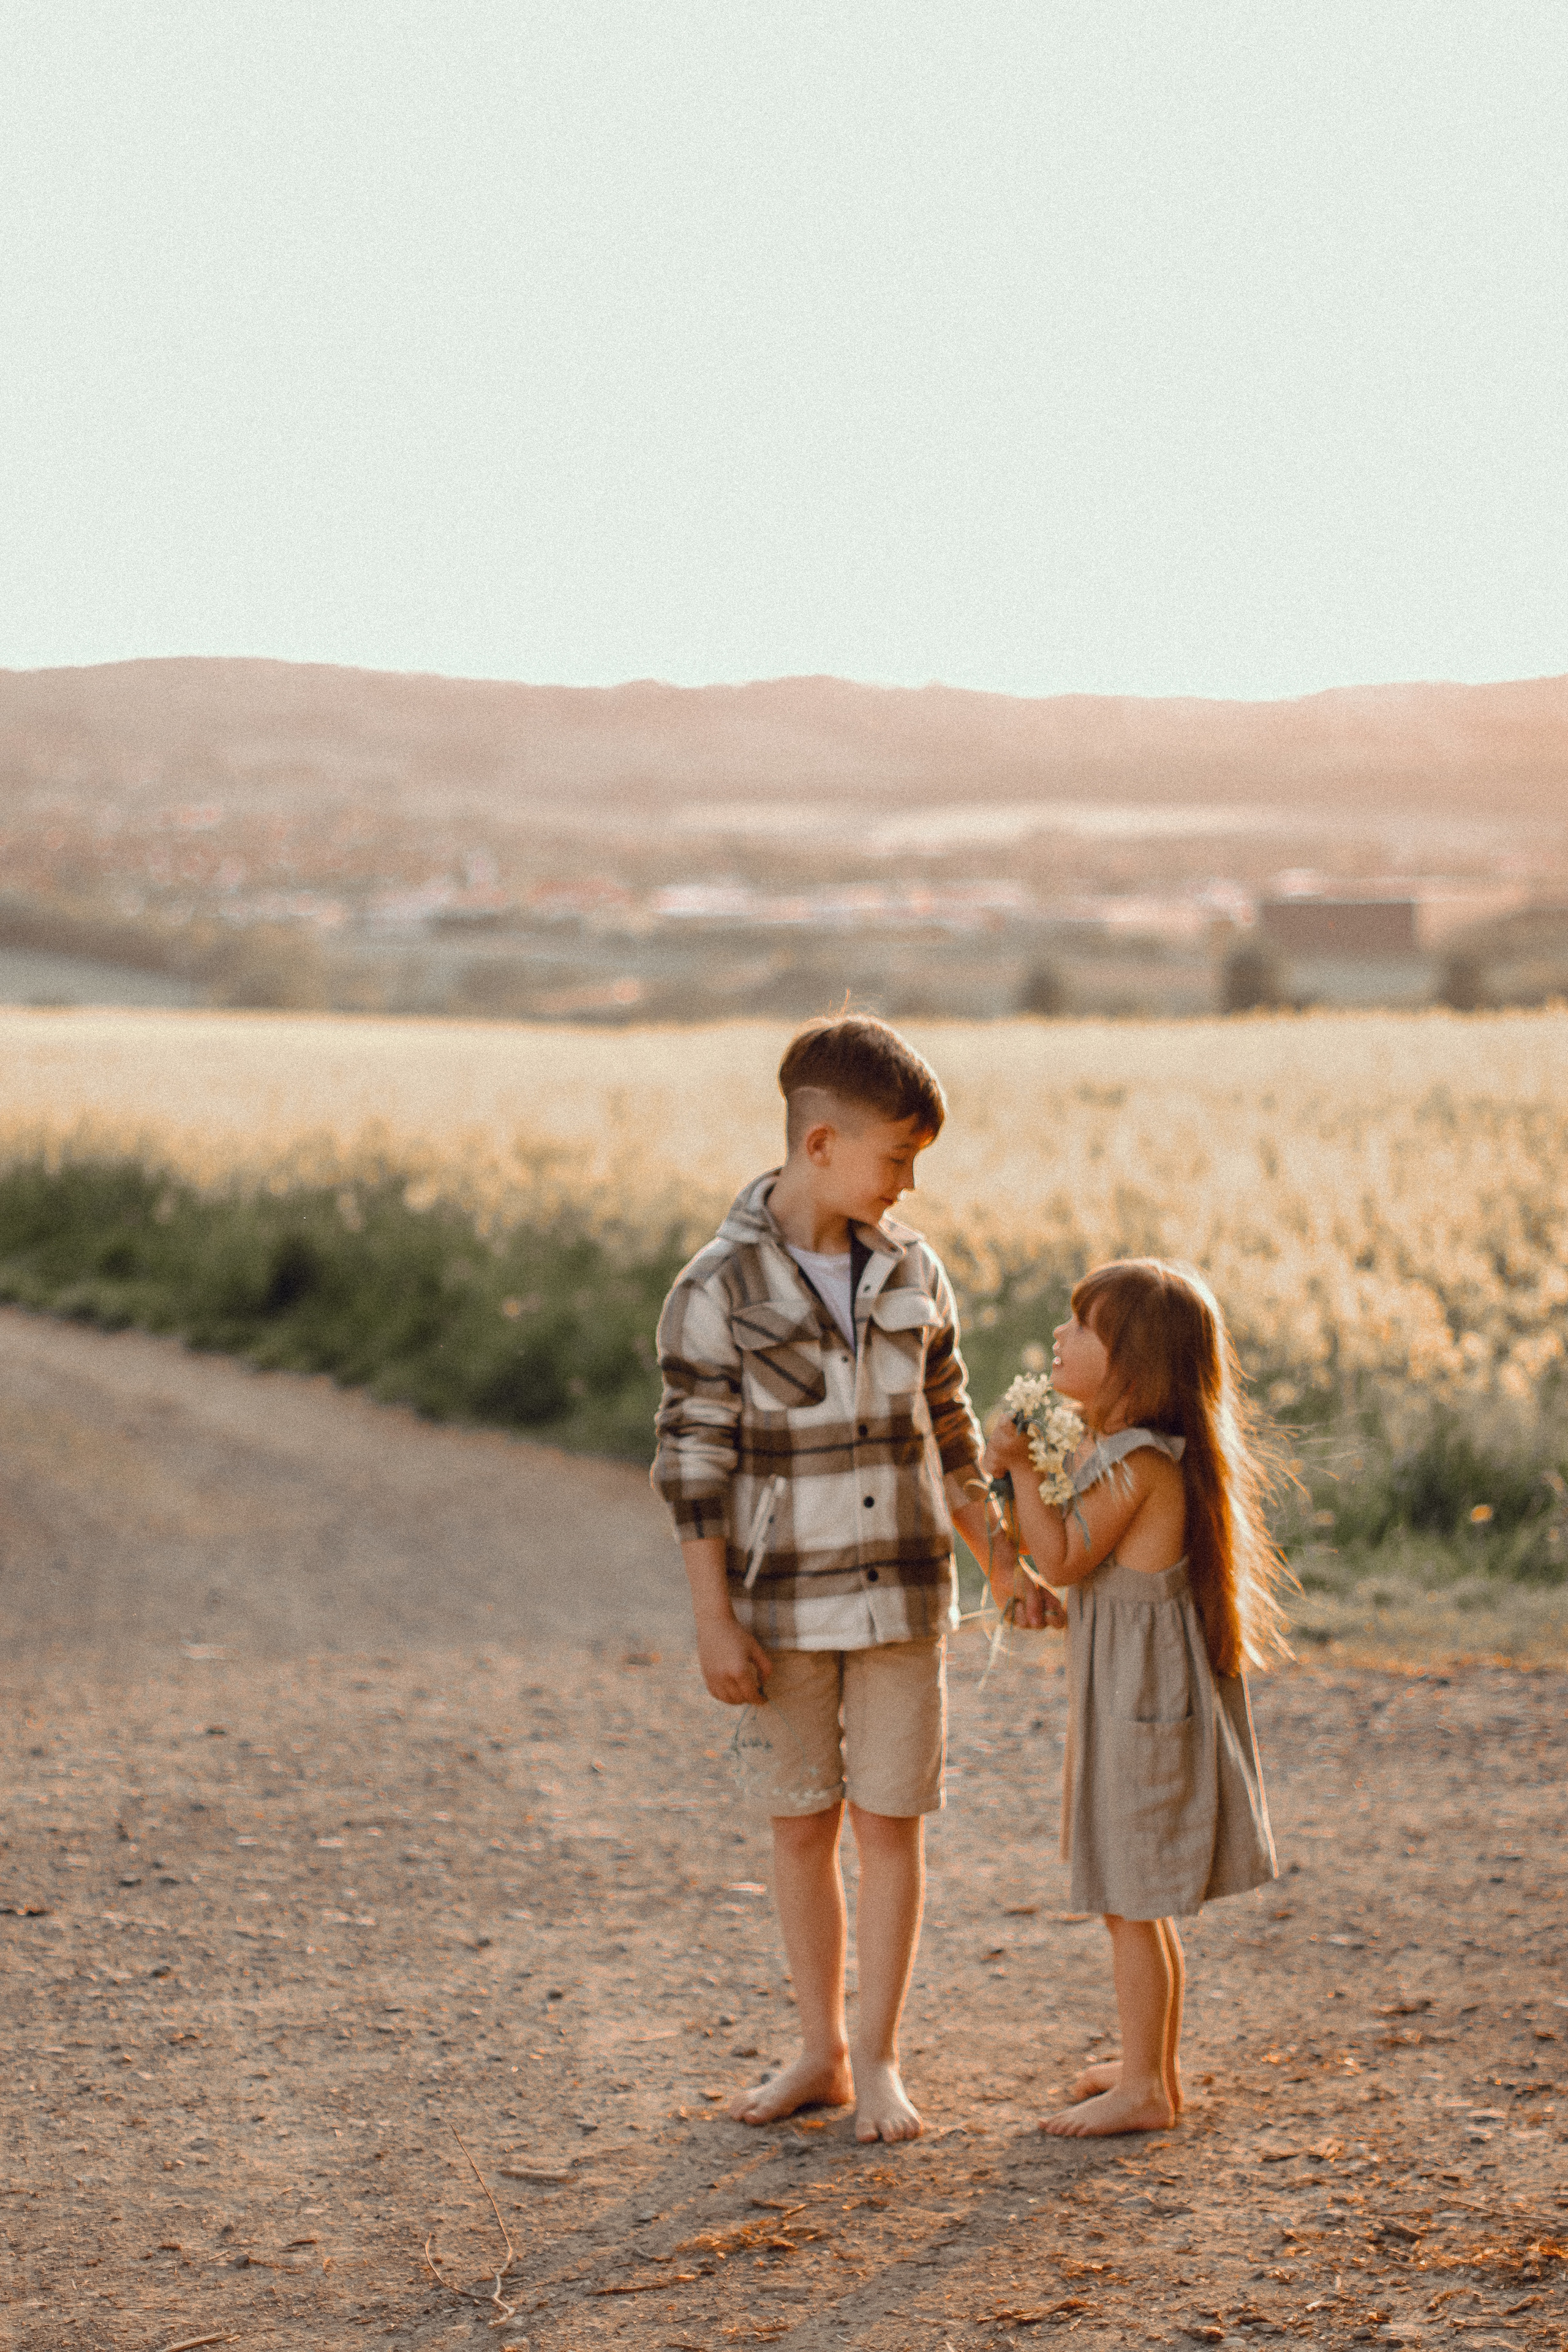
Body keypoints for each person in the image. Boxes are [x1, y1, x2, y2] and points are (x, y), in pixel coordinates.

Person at [651, 1014, 1039, 2143]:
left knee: (892, 1827)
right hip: (778, 1608)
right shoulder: (714, 1286)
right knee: (799, 1826)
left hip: (907, 1602)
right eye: (897, 1159)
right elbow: (692, 1466)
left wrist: (1003, 1567)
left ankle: (879, 2061)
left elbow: (955, 1435)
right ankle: (816, 2048)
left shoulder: (916, 1271)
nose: (911, 1185)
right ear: (820, 1144)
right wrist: (713, 1622)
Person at [983, 1257, 1286, 2138]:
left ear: (1135, 1365)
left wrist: (1015, 1467)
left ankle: (1149, 2088)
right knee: (1132, 1894)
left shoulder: (1146, 1462)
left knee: (1133, 1898)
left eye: (1083, 1328)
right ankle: (1147, 2058)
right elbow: (1052, 1546)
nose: (1057, 1338)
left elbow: (1064, 1558)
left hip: (1145, 1706)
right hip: (1126, 1695)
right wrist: (1018, 1476)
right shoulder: (1108, 1451)